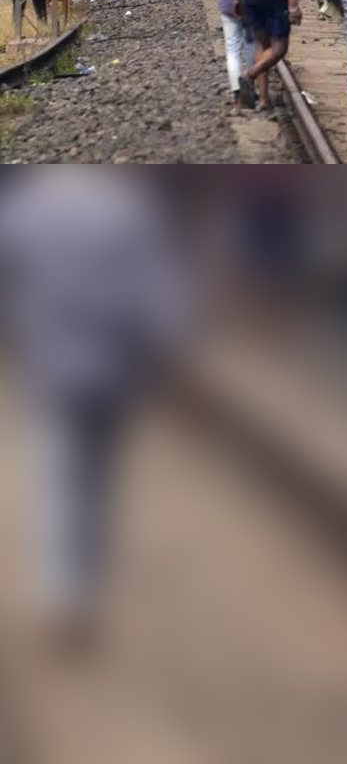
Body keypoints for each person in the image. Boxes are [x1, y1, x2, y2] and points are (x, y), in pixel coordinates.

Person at [0, 170, 190, 641]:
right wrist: (174, 358)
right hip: (113, 367)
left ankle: (66, 596)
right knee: (100, 478)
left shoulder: (28, 210)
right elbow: (158, 295)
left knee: (63, 477)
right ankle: (83, 582)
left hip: (53, 361)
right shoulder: (130, 212)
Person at [216, 0, 257, 110]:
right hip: (253, 1)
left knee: (232, 49)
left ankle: (237, 95)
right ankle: (250, 85)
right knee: (251, 46)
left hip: (229, 1)